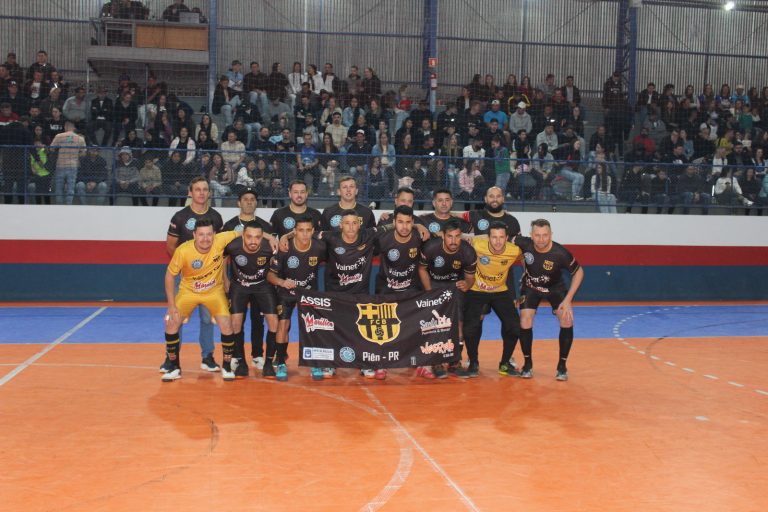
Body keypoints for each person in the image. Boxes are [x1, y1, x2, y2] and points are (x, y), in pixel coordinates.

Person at [161, 219, 239, 382]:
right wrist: (171, 306)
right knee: (171, 322)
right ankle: (174, 366)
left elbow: (245, 232)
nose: (205, 238)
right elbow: (169, 275)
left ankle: (226, 366)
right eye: (201, 234)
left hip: (214, 292)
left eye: (209, 234)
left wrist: (274, 238)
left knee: (227, 324)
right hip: (188, 292)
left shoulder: (221, 240)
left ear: (215, 235)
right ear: (194, 235)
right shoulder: (183, 250)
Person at [163, 176, 224, 374]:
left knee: (208, 319)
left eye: (205, 189)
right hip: (187, 279)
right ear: (190, 192)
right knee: (176, 317)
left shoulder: (216, 217)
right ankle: (171, 359)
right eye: (197, 189)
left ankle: (207, 357)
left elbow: (220, 251)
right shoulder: (180, 216)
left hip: (210, 281)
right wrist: (186, 267)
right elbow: (171, 246)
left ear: (209, 192)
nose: (201, 193)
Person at [514, 219, 584, 381]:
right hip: (531, 287)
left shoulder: (560, 253)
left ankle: (562, 366)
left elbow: (579, 272)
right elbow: (501, 237)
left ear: (551, 235)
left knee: (566, 319)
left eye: (545, 235)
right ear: (531, 235)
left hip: (555, 289)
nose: (541, 239)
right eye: (537, 235)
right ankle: (528, 364)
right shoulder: (524, 243)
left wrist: (568, 300)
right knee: (525, 321)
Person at [458, 222, 522, 378]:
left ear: (507, 238)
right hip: (477, 290)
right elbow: (455, 238)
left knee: (514, 326)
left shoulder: (514, 250)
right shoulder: (477, 244)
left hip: (500, 291)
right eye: (494, 237)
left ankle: (505, 364)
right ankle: (473, 362)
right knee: (469, 328)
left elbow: (530, 253)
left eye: (501, 237)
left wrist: (526, 275)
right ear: (488, 237)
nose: (498, 241)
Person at [268, 215, 328, 380]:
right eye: (301, 230)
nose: (304, 234)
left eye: (308, 230)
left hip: (309, 294)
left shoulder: (319, 247)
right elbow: (270, 275)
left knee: (313, 327)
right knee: (283, 324)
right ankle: (280, 362)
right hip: (287, 294)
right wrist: (282, 281)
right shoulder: (285, 248)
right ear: (294, 231)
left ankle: (315, 363)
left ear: (313, 231)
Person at [222, 188, 275, 370]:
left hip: (261, 283)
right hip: (238, 283)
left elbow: (272, 254)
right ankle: (237, 356)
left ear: (256, 203)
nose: (249, 202)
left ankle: (258, 355)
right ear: (239, 202)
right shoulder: (229, 225)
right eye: (245, 199)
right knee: (238, 319)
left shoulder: (265, 226)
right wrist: (225, 280)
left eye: (253, 199)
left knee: (258, 320)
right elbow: (222, 256)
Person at [418, 218, 477, 376]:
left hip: (454, 284)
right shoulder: (431, 247)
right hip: (434, 283)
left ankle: (454, 361)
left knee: (458, 322)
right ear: (443, 236)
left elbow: (471, 277)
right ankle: (436, 361)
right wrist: (429, 292)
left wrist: (468, 284)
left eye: (457, 236)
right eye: (450, 236)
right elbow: (422, 269)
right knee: (435, 323)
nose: (454, 240)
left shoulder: (468, 251)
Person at [223, 221, 281, 379]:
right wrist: (225, 280)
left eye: (257, 237)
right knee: (235, 322)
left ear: (263, 237)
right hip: (239, 286)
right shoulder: (233, 245)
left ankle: (268, 363)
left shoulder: (270, 247)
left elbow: (276, 266)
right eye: (249, 237)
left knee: (274, 322)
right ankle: (241, 363)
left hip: (262, 286)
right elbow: (222, 258)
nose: (253, 241)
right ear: (243, 235)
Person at [50, 120, 86, 205]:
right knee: (71, 187)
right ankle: (68, 205)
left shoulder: (59, 136)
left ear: (65, 127)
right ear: (73, 127)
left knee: (59, 187)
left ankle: (60, 205)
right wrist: (76, 154)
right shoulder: (80, 138)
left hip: (60, 165)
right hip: (73, 165)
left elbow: (51, 148)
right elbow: (84, 153)